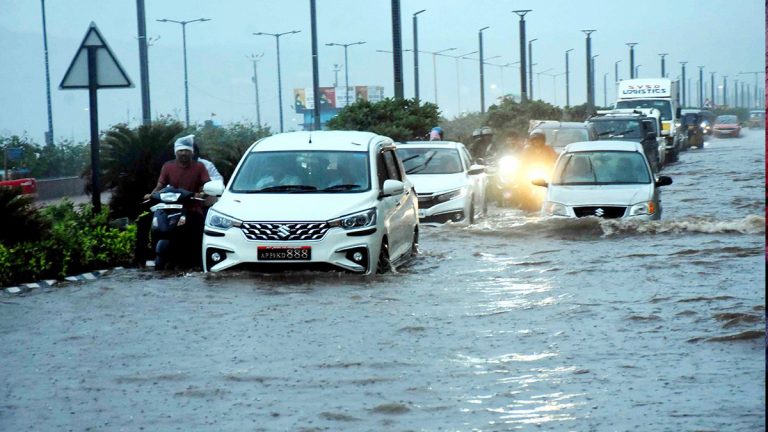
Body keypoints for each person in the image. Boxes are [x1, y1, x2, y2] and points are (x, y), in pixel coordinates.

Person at [144, 135, 211, 269]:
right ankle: (143, 256)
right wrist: (151, 195)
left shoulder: (199, 167)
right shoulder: (168, 166)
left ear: (191, 152)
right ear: (176, 152)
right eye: (181, 150)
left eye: (186, 150)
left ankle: (197, 262)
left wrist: (202, 193)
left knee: (197, 227)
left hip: (191, 208)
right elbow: (161, 184)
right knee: (147, 223)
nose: (184, 153)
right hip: (170, 207)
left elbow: (206, 184)